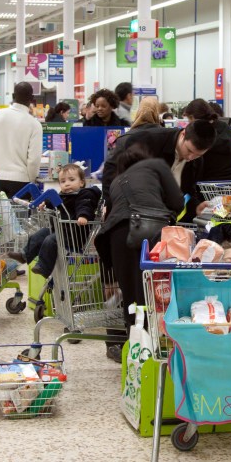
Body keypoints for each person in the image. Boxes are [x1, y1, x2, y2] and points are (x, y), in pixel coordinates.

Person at [97, 142, 184, 362]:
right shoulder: (156, 165)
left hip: (117, 236)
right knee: (157, 292)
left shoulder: (117, 181)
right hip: (151, 230)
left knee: (132, 298)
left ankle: (138, 354)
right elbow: (177, 202)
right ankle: (162, 351)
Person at [102, 120, 216, 221]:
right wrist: (109, 203)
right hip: (132, 214)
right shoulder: (149, 142)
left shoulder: (197, 162)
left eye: (198, 155)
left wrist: (196, 207)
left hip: (163, 220)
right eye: (189, 150)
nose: (191, 157)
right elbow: (114, 170)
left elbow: (187, 193)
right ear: (183, 134)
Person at [9, 163, 100, 277]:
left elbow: (85, 205)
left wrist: (83, 216)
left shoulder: (84, 194)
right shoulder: (62, 195)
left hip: (74, 236)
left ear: (81, 182)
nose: (67, 183)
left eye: (71, 180)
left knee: (50, 240)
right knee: (41, 233)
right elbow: (51, 202)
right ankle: (24, 255)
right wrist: (44, 204)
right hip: (60, 231)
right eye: (63, 181)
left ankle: (44, 267)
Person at [0, 81, 43, 199]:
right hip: (21, 181)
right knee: (20, 217)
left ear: (13, 96)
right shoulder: (34, 124)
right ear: (32, 99)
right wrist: (30, 179)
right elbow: (34, 159)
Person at [183, 98, 231, 182]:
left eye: (189, 121)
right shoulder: (225, 127)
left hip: (211, 185)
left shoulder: (204, 135)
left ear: (193, 118)